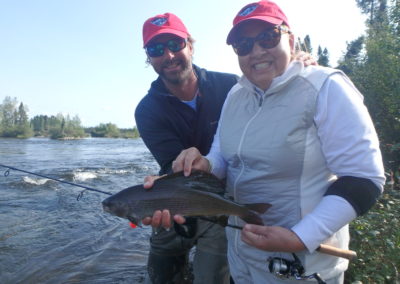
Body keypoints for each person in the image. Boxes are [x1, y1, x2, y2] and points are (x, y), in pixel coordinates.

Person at [169, 1, 386, 283]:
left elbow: (364, 178)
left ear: (291, 39)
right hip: (241, 253)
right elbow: (223, 157)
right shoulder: (236, 95)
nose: (256, 51)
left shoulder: (326, 86)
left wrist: (300, 236)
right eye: (243, 45)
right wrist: (204, 164)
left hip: (300, 264)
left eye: (268, 37)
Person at [135, 12, 239, 284]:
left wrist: (299, 64)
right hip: (172, 200)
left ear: (190, 46)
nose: (168, 55)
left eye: (175, 44)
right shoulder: (147, 110)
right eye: (157, 49)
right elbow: (172, 164)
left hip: (222, 200)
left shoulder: (232, 87)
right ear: (149, 58)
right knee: (161, 276)